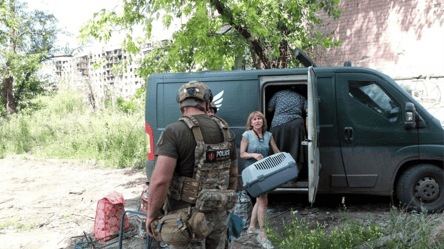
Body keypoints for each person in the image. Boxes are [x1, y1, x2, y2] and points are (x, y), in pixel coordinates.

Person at [146, 81, 238, 249]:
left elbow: (161, 180)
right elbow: (233, 175)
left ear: (181, 106)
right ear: (207, 103)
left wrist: (151, 215)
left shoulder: (174, 131)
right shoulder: (226, 132)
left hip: (185, 223)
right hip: (219, 216)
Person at [240, 111, 279, 249]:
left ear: (263, 121)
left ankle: (251, 227)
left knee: (260, 199)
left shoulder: (268, 135)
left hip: (265, 170)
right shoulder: (247, 135)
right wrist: (254, 155)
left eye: (259, 119)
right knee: (263, 200)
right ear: (250, 122)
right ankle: (263, 234)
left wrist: (282, 160)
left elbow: (276, 151)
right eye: (254, 119)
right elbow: (242, 154)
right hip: (252, 171)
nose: (257, 121)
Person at [267, 87, 308, 172]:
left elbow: (269, 109)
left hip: (278, 124)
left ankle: (279, 176)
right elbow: (308, 110)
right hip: (296, 125)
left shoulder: (278, 94)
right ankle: (293, 176)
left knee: (277, 151)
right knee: (296, 151)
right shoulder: (300, 96)